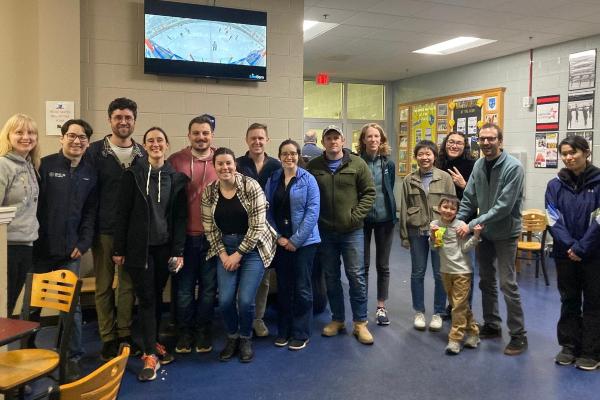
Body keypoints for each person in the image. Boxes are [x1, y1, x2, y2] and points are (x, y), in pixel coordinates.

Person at [113, 127, 188, 381]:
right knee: (145, 299)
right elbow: (122, 213)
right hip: (138, 250)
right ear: (144, 146)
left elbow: (179, 219)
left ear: (167, 145)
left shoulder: (176, 179)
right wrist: (119, 248)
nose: (155, 144)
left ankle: (152, 340)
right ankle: (149, 354)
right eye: (150, 141)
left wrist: (178, 251)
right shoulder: (133, 175)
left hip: (164, 249)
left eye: (160, 140)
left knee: (155, 297)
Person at [456, 122, 528, 356]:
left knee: (507, 283)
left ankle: (518, 335)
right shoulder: (478, 164)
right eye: (482, 139)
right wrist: (458, 221)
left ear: (500, 141)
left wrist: (472, 223)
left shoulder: (513, 167)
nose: (486, 143)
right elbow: (469, 197)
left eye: (491, 139)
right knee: (486, 281)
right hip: (484, 233)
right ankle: (493, 325)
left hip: (505, 232)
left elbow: (504, 207)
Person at [34, 119, 96, 381]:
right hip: (40, 250)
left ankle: (72, 359)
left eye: (82, 137)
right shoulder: (45, 165)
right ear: (62, 138)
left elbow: (90, 214)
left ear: (88, 143)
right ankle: (29, 356)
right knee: (33, 305)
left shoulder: (91, 172)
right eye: (71, 136)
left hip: (70, 252)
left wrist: (83, 244)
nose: (76, 141)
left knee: (71, 307)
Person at [202, 147, 277, 362]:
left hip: (253, 248)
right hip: (225, 246)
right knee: (225, 300)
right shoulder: (209, 191)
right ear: (214, 167)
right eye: (220, 164)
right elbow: (209, 227)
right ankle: (232, 336)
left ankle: (245, 338)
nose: (225, 167)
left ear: (235, 165)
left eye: (228, 163)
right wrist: (224, 255)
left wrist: (239, 254)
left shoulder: (250, 186)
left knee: (245, 300)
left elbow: (257, 225)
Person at [88, 97, 146, 360]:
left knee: (127, 286)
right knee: (102, 286)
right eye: (118, 117)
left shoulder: (142, 153)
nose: (123, 122)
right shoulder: (94, 152)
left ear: (134, 121)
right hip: (104, 231)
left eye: (128, 118)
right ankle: (108, 337)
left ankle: (124, 333)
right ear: (110, 120)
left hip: (133, 233)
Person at [306, 125, 375, 345]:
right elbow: (308, 194)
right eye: (329, 138)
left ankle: (360, 322)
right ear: (323, 142)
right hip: (325, 232)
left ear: (343, 141)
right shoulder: (314, 166)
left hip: (352, 231)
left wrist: (355, 217)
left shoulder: (357, 164)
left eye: (336, 138)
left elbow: (369, 193)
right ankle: (337, 319)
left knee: (356, 276)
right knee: (331, 277)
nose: (333, 141)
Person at [545, 136, 600, 371]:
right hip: (564, 254)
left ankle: (591, 351)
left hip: (594, 254)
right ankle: (569, 346)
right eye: (564, 153)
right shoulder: (554, 185)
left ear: (586, 153)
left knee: (594, 303)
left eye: (573, 152)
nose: (568, 157)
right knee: (569, 300)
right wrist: (569, 245)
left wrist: (582, 247)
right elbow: (552, 217)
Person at [168, 114, 218, 354]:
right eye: (196, 133)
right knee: (184, 290)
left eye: (205, 133)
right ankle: (184, 332)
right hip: (184, 239)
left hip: (212, 239)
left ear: (212, 135)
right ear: (189, 135)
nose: (201, 137)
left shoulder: (222, 160)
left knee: (209, 289)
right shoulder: (175, 160)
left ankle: (203, 331)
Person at [265, 139, 320, 351]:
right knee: (285, 288)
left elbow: (312, 212)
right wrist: (278, 237)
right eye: (285, 154)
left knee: (303, 288)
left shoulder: (309, 180)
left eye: (293, 153)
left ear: (299, 156)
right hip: (281, 242)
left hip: (305, 243)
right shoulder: (273, 179)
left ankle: (301, 332)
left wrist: (296, 240)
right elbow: (267, 211)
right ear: (279, 156)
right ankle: (284, 330)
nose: (289, 157)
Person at [399, 140, 455, 332]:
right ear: (416, 157)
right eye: (421, 154)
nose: (424, 157)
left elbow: (452, 207)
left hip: (439, 232)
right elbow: (405, 208)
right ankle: (419, 312)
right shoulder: (409, 180)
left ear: (434, 156)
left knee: (440, 274)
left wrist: (450, 233)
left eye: (428, 154)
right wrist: (404, 236)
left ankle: (438, 313)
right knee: (418, 272)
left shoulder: (445, 178)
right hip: (417, 232)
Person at [236, 123, 281, 338]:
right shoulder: (237, 164)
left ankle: (258, 319)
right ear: (246, 140)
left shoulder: (275, 165)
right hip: (240, 229)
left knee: (263, 278)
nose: (257, 142)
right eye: (253, 138)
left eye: (261, 138)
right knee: (241, 277)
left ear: (267, 140)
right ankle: (241, 318)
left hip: (267, 232)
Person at [430, 196, 482, 355]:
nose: (448, 211)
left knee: (458, 306)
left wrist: (476, 235)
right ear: (439, 208)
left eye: (452, 209)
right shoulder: (435, 225)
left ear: (457, 212)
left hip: (462, 272)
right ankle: (473, 332)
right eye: (445, 207)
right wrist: (433, 236)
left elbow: (466, 248)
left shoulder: (461, 226)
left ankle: (455, 339)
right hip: (446, 271)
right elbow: (435, 247)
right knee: (459, 304)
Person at [0, 113, 40, 316]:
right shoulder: (3, 165)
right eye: (19, 132)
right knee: (3, 307)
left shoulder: (30, 165)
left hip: (26, 245)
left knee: (10, 303)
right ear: (8, 136)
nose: (26, 137)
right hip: (7, 247)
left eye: (31, 132)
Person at [358, 123, 397, 326]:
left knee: (383, 265)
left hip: (385, 221)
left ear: (381, 140)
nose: (373, 140)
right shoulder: (356, 162)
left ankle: (381, 306)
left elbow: (388, 191)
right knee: (362, 265)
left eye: (376, 136)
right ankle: (361, 306)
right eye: (369, 136)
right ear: (363, 140)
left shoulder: (388, 164)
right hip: (362, 221)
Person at [436, 131, 476, 317]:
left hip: (463, 225)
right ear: (445, 144)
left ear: (464, 146)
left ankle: (464, 309)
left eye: (459, 143)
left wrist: (464, 184)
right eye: (451, 142)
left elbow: (478, 195)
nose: (454, 145)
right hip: (444, 223)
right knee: (448, 267)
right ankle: (452, 305)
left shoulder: (472, 165)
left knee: (464, 268)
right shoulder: (439, 163)